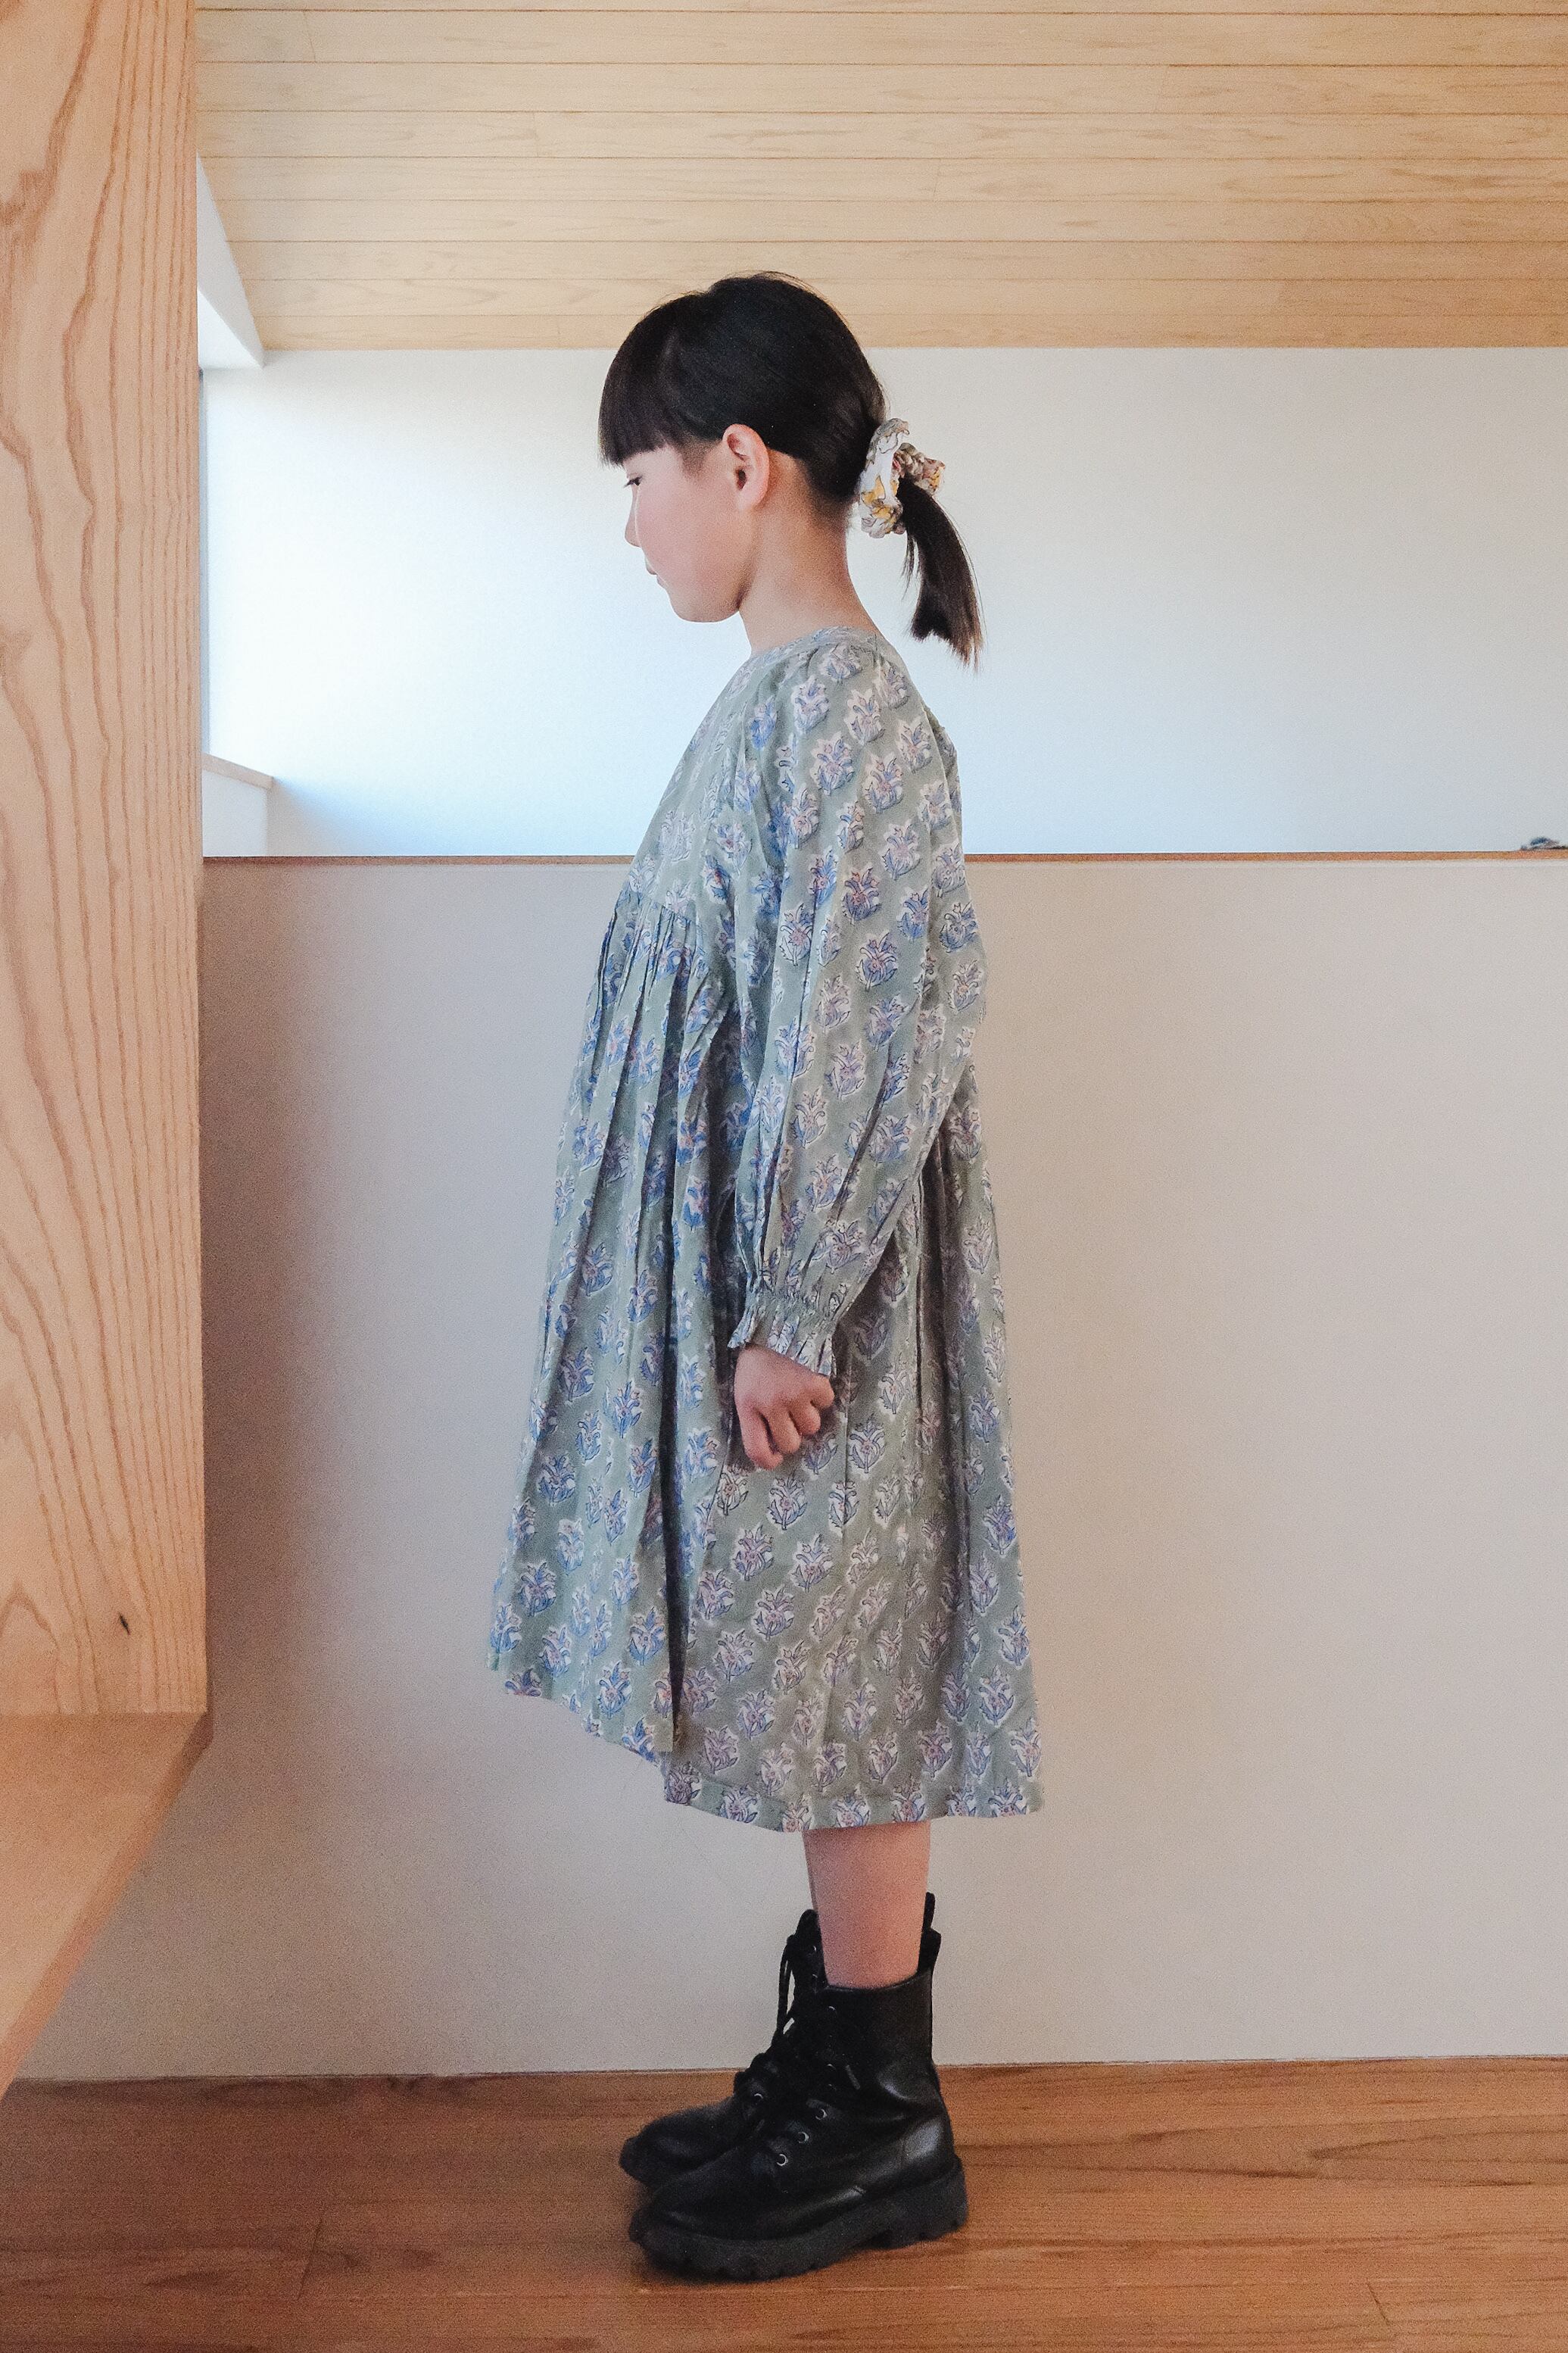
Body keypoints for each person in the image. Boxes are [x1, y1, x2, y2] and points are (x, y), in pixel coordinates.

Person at [486, 270, 1044, 2281]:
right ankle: (842, 2066)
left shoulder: (852, 722)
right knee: (815, 1676)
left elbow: (866, 1020)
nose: (632, 519)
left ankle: (885, 2117)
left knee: (850, 1682)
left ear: (742, 463)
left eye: (640, 474)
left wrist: (792, 1307)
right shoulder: (777, 710)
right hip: (765, 1300)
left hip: (814, 1315)